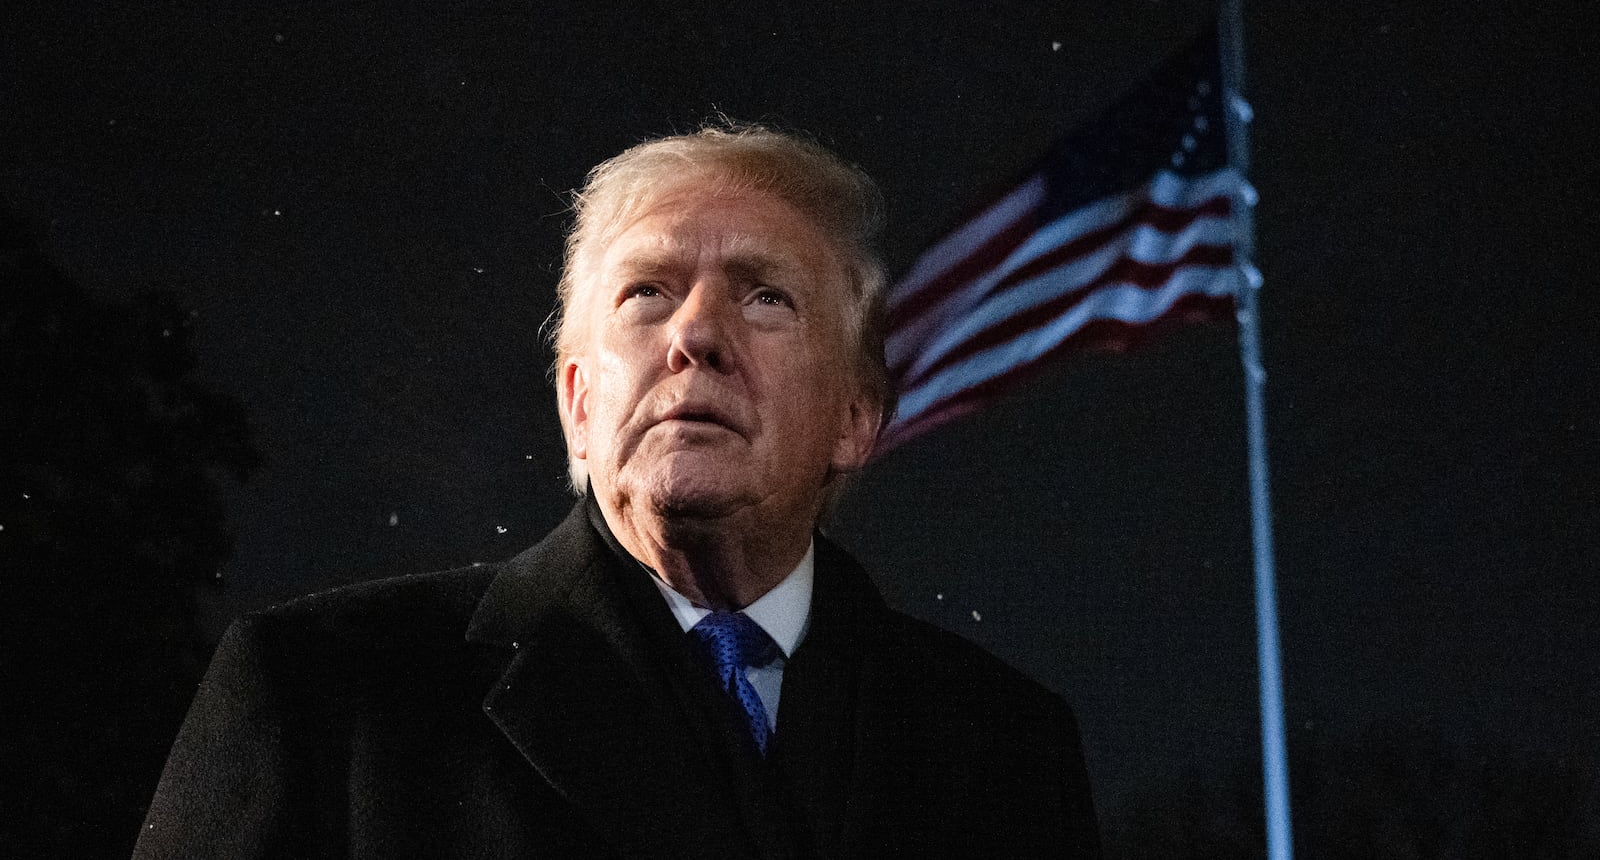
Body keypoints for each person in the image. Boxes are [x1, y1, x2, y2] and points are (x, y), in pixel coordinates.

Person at [133, 123, 1101, 858]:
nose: (696, 335)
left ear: (856, 416)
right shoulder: (324, 693)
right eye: (646, 292)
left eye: (766, 295)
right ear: (580, 403)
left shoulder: (1005, 740)